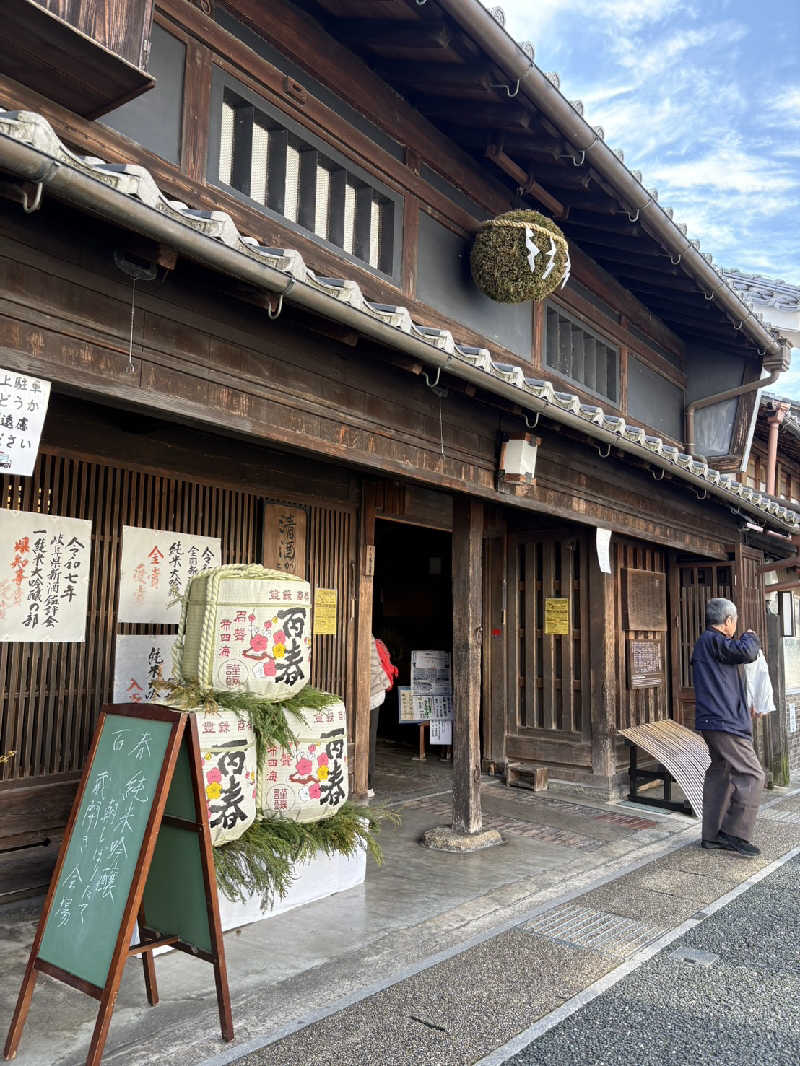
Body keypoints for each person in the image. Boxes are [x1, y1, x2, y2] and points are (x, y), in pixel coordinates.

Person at [692, 597, 765, 856]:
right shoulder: (714, 641)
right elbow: (746, 652)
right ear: (728, 621)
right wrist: (751, 637)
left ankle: (711, 836)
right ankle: (733, 833)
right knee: (753, 775)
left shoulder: (708, 644)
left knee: (720, 773)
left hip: (713, 721)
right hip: (724, 723)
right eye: (735, 622)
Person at [368, 636, 398, 797]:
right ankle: (366, 783)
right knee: (368, 738)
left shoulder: (362, 635)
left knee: (368, 739)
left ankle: (367, 783)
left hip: (372, 691)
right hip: (373, 689)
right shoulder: (367, 636)